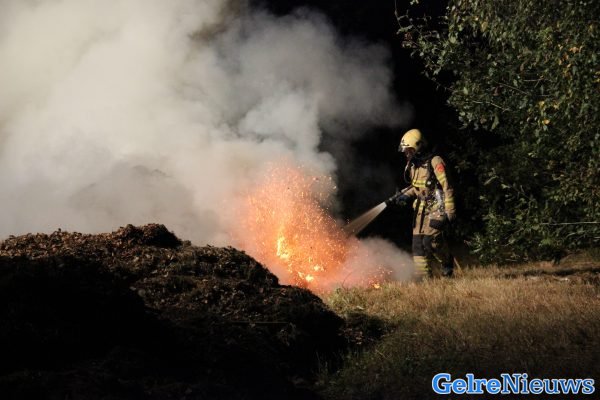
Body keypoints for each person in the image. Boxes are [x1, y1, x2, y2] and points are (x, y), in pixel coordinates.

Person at [386, 128, 456, 279]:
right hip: (420, 211)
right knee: (418, 246)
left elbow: (447, 187)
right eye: (405, 151)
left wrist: (450, 211)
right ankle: (426, 280)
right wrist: (404, 196)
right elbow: (416, 187)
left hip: (437, 208)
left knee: (431, 243)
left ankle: (447, 261)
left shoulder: (435, 162)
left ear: (419, 147)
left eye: (409, 150)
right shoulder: (413, 165)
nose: (406, 154)